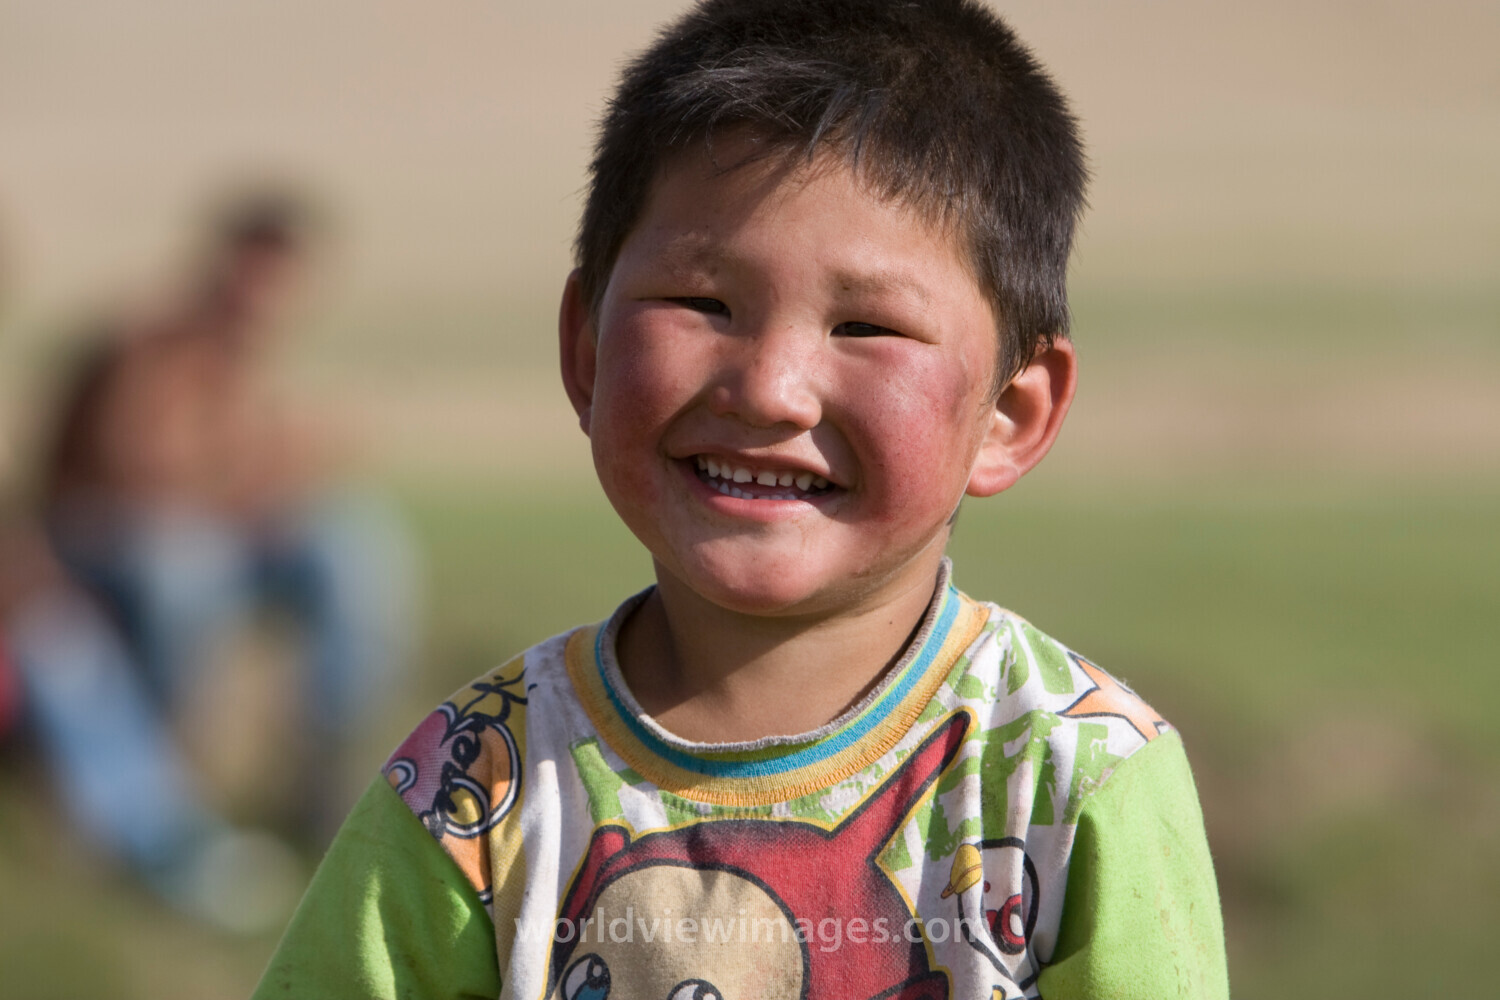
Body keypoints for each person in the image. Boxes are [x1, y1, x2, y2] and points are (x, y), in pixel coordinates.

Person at [256, 1, 1229, 996]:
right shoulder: (481, 785)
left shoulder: (1074, 774)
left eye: (866, 326)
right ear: (587, 349)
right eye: (703, 304)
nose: (768, 386)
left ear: (1008, 415)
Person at [36, 192, 416, 847]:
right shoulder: (146, 346)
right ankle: (166, 792)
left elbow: (238, 470)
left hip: (207, 533)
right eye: (256, 278)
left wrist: (271, 469)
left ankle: (328, 773)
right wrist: (271, 465)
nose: (265, 300)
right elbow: (139, 474)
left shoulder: (244, 358)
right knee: (184, 566)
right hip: (94, 540)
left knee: (349, 543)